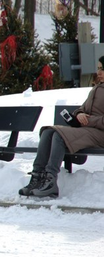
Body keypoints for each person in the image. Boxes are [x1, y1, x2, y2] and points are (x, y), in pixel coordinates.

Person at [19, 57, 104, 198]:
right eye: (98, 68)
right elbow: (81, 109)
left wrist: (88, 120)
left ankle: (51, 180)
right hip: (88, 130)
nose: (99, 72)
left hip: (100, 134)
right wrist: (80, 114)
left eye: (102, 69)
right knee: (48, 131)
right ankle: (37, 177)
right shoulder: (96, 89)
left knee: (59, 135)